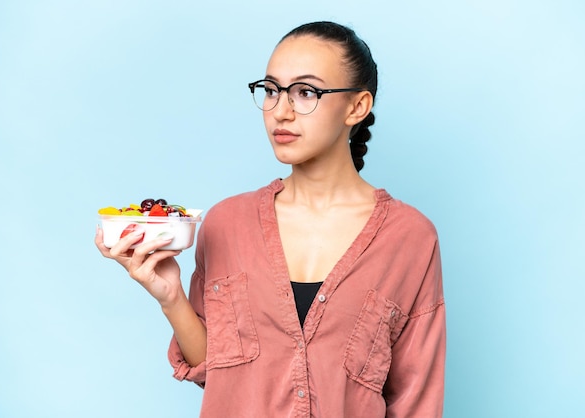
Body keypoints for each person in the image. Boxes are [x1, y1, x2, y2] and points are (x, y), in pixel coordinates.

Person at [96, 21, 446, 418]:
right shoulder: (226, 224)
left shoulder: (410, 238)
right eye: (271, 90)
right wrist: (171, 297)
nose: (280, 111)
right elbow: (220, 371)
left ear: (357, 107)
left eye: (305, 92)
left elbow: (417, 400)